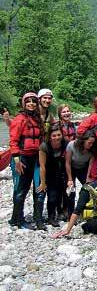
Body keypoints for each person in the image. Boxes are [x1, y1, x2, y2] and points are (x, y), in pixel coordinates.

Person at [9, 92, 46, 230]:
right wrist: (17, 160)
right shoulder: (19, 119)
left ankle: (38, 219)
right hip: (22, 158)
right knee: (21, 190)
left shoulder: (37, 119)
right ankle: (18, 219)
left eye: (34, 101)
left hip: (36, 158)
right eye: (28, 101)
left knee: (40, 187)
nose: (31, 103)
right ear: (24, 103)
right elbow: (13, 141)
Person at [39, 124, 69, 227]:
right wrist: (43, 183)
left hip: (62, 171)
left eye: (58, 135)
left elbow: (68, 161)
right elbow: (42, 166)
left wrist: (69, 178)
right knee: (52, 196)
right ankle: (51, 217)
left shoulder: (66, 143)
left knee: (61, 193)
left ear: (62, 134)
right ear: (50, 136)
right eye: (54, 135)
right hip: (49, 171)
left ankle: (61, 212)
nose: (57, 137)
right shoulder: (44, 146)